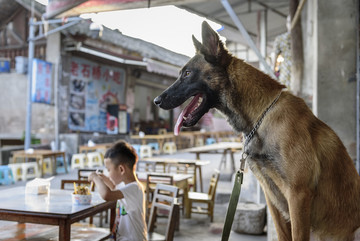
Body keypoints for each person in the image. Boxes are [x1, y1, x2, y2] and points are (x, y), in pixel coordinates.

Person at [88, 140, 147, 241]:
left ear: (121, 169)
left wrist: (95, 178)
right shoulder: (126, 186)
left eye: (109, 170)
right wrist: (103, 178)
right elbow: (113, 187)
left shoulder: (134, 188)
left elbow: (107, 194)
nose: (108, 173)